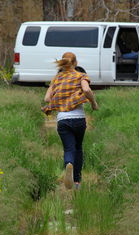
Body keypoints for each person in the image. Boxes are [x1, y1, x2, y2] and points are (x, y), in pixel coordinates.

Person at [42, 52, 99, 190]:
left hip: (63, 120)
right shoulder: (81, 76)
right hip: (79, 119)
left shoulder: (56, 79)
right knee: (78, 148)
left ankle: (68, 164)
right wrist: (93, 103)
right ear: (76, 63)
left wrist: (61, 98)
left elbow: (47, 99)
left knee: (69, 148)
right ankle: (77, 182)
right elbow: (86, 90)